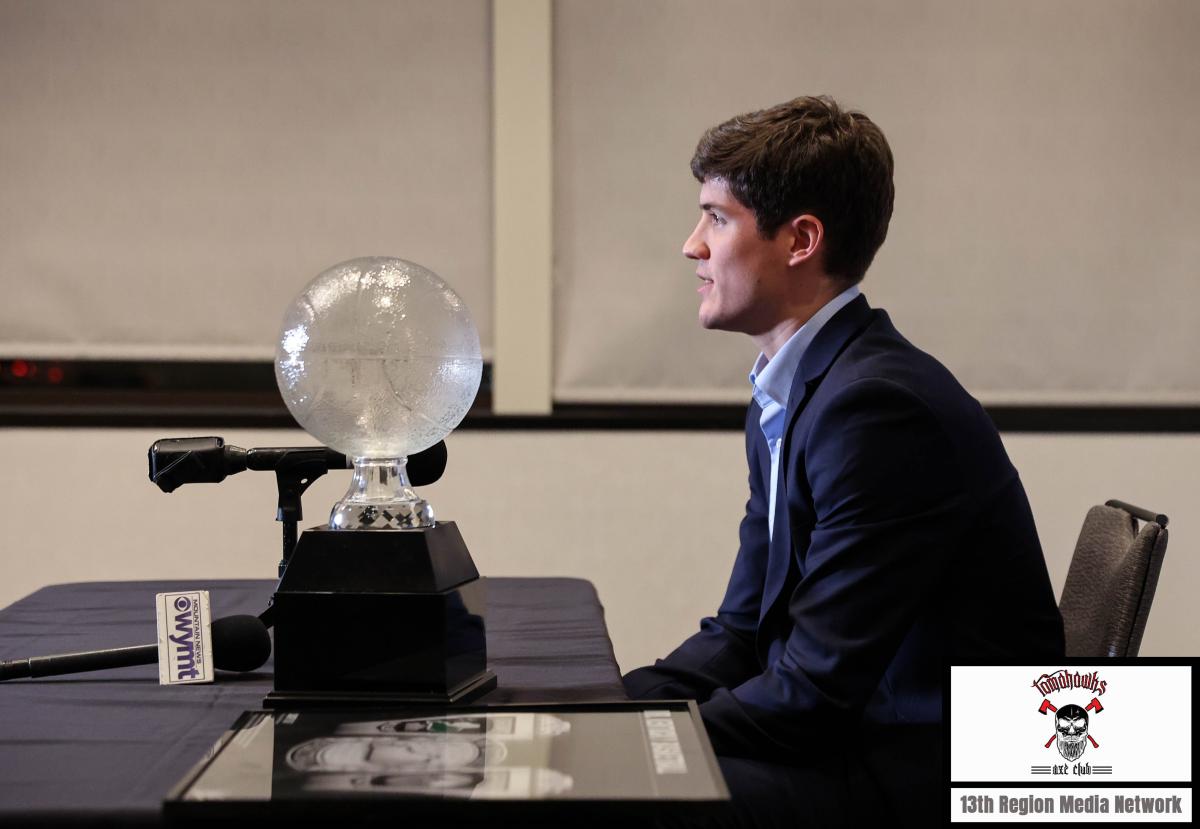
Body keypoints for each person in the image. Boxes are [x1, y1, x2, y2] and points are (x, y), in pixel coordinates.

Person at [622, 96, 1065, 826]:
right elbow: (743, 631)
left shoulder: (877, 410)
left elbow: (812, 695)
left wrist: (640, 737)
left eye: (717, 218)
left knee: (628, 794)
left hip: (938, 766)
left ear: (800, 240)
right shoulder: (797, 390)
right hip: (865, 739)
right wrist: (607, 706)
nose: (692, 245)